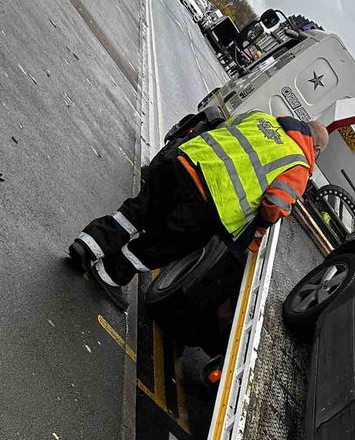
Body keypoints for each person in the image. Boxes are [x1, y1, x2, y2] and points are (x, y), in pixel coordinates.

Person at [69, 112, 329, 310]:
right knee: (160, 246)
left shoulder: (262, 118)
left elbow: (225, 131)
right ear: (316, 149)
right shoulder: (299, 166)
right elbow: (275, 206)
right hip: (206, 204)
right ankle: (109, 274)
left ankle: (88, 244)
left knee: (136, 212)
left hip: (183, 162)